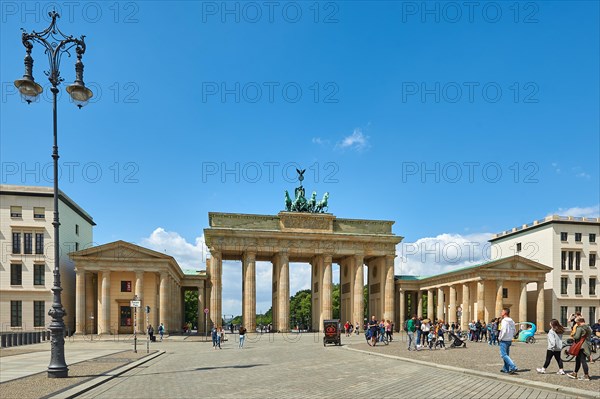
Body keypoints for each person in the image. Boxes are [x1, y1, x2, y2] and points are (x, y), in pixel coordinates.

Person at [498, 307, 518, 374]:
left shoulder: (504, 321)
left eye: (502, 311)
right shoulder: (512, 321)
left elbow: (503, 330)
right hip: (509, 339)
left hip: (504, 339)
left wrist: (500, 337)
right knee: (506, 355)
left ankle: (513, 367)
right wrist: (511, 336)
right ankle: (506, 369)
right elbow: (514, 330)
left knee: (503, 355)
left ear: (505, 313)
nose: (501, 312)